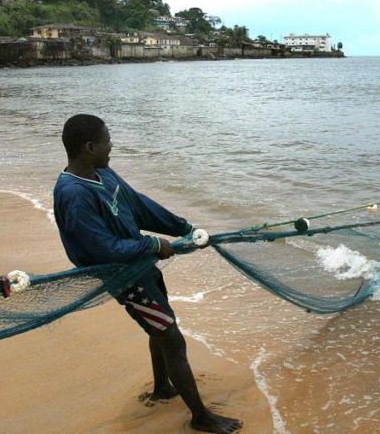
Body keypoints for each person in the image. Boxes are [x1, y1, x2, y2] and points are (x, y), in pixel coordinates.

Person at [53, 114, 242, 434]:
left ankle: (162, 387)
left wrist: (184, 228)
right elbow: (100, 250)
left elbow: (138, 205)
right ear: (89, 147)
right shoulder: (73, 194)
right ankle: (200, 416)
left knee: (161, 328)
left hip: (139, 266)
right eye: (107, 141)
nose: (111, 145)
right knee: (171, 336)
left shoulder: (102, 172)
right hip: (123, 278)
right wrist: (152, 244)